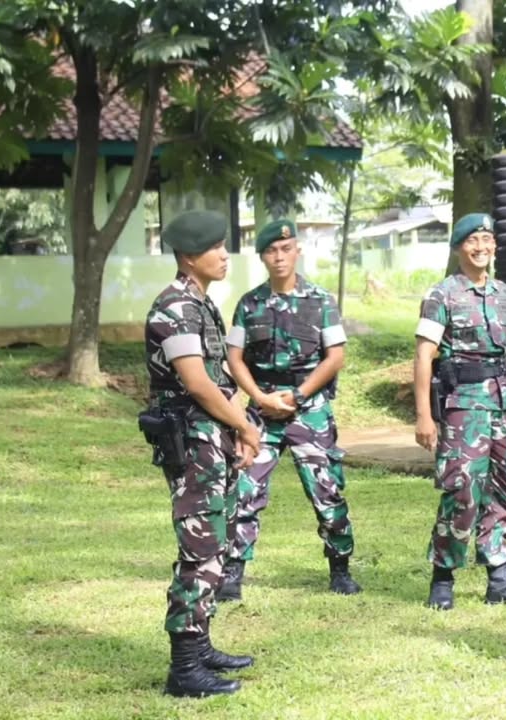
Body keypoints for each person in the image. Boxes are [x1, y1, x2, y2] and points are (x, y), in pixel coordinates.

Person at [142, 210, 261, 698]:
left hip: (213, 441)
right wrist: (245, 426)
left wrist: (239, 428)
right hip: (193, 445)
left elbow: (220, 379)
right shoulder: (174, 308)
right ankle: (185, 669)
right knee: (201, 549)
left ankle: (201, 644)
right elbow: (197, 384)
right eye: (214, 247)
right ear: (189, 256)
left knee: (216, 542)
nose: (224, 254)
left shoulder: (203, 305)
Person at [218, 219, 360, 600]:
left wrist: (297, 396)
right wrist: (261, 398)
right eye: (271, 251)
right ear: (262, 257)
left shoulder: (321, 301)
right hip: (262, 412)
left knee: (327, 491)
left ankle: (340, 568)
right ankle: (232, 572)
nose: (279, 257)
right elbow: (234, 358)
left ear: (297, 251)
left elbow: (335, 357)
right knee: (243, 490)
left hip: (309, 411)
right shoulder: (249, 304)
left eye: (285, 249)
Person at [412, 212, 506, 611]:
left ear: (494, 246)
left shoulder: (505, 294)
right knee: (463, 488)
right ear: (458, 248)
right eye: (473, 241)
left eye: (487, 240)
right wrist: (423, 415)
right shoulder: (442, 295)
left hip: (502, 406)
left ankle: (500, 578)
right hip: (463, 406)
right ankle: (443, 578)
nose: (481, 247)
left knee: (503, 490)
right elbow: (423, 356)